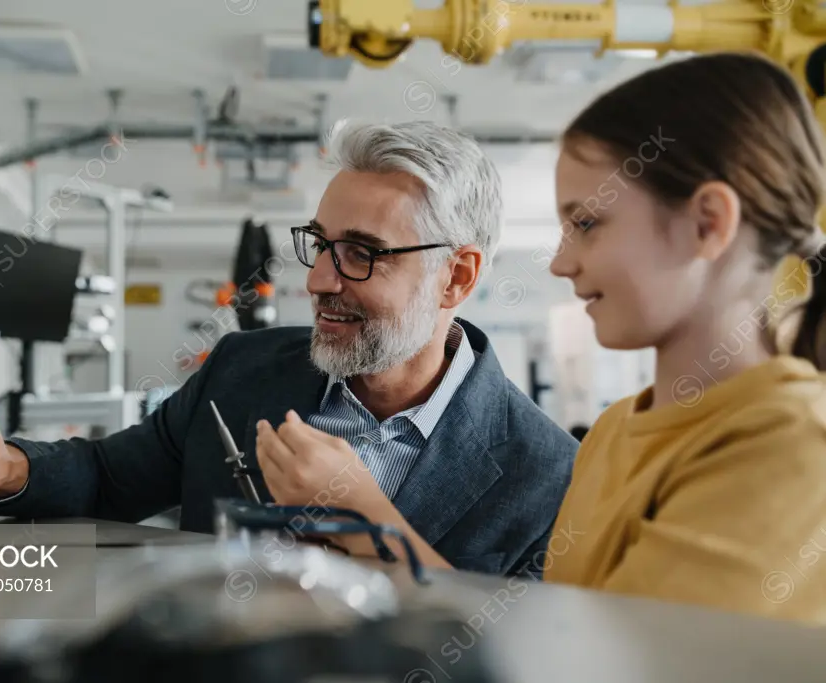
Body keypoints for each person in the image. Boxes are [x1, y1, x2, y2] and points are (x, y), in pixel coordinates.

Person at [257, 52, 826, 625]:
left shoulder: (795, 446)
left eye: (587, 224)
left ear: (708, 224)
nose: (560, 263)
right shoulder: (612, 433)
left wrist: (367, 522)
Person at [0, 120, 578, 576]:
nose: (316, 280)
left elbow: (519, 654)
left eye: (362, 254)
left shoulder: (547, 472)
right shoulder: (242, 367)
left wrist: (369, 520)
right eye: (318, 244)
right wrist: (4, 465)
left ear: (456, 275)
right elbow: (107, 478)